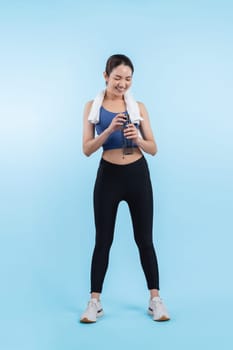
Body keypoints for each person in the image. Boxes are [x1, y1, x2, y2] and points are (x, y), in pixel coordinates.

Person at [80, 54, 170, 323]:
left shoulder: (138, 106)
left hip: (137, 175)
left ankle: (155, 300)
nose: (122, 84)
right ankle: (94, 302)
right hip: (108, 177)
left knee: (144, 240)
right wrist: (107, 132)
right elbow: (86, 149)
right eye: (117, 77)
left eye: (128, 79)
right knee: (103, 241)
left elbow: (154, 148)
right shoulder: (91, 107)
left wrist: (139, 139)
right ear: (105, 76)